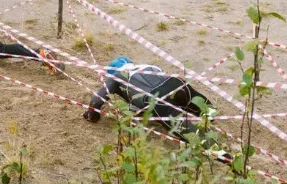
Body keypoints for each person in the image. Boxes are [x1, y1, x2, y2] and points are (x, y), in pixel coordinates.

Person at [83, 56, 213, 138]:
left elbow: (96, 101)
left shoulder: (116, 76)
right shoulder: (148, 66)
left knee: (191, 134)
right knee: (203, 107)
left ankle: (213, 148)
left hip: (154, 97)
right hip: (175, 83)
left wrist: (92, 115)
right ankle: (211, 115)